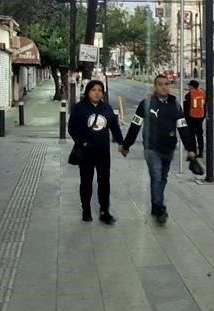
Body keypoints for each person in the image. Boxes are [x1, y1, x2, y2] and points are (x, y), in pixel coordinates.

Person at [121, 74, 196, 224]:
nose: (164, 87)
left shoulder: (175, 105)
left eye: (167, 84)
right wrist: (126, 145)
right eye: (161, 84)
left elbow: (183, 128)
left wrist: (191, 148)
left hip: (168, 148)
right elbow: (135, 125)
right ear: (155, 87)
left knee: (162, 178)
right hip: (151, 148)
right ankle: (160, 208)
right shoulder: (146, 104)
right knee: (156, 177)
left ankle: (156, 205)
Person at [68, 80, 124, 224]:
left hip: (103, 152)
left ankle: (104, 211)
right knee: (86, 182)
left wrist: (120, 142)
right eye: (93, 89)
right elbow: (72, 128)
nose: (97, 92)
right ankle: (86, 209)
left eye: (100, 90)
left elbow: (114, 127)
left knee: (104, 182)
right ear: (88, 92)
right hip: (86, 152)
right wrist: (82, 142)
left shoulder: (106, 108)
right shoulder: (80, 108)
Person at [184, 80, 206, 160]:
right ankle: (201, 152)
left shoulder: (189, 95)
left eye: (189, 86)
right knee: (200, 135)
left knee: (191, 136)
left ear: (192, 86)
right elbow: (204, 106)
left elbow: (186, 109)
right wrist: (203, 116)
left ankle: (193, 151)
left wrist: (186, 118)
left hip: (191, 117)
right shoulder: (203, 93)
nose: (188, 87)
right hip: (200, 117)